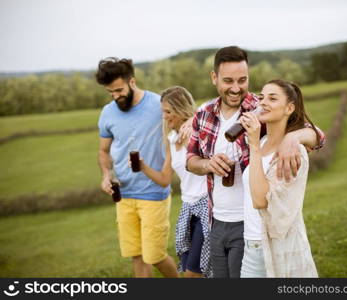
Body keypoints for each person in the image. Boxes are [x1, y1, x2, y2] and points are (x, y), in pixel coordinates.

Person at [186, 46, 325, 278]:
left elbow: (316, 134)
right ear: (214, 78)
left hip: (249, 225)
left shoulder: (259, 108)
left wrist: (294, 136)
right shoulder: (204, 113)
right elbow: (191, 160)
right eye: (228, 80)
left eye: (242, 80)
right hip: (216, 220)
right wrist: (207, 165)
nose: (236, 88)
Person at [96, 57, 179, 278]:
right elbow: (103, 151)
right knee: (137, 255)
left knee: (156, 256)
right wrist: (106, 175)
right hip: (123, 194)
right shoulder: (107, 113)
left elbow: (185, 119)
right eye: (110, 92)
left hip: (153, 193)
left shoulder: (158, 104)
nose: (116, 96)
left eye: (119, 90)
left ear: (132, 81)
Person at [130, 86, 212, 278]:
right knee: (198, 273)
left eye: (168, 111)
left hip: (207, 206)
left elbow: (215, 103)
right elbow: (164, 179)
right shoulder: (171, 139)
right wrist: (142, 166)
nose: (165, 117)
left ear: (181, 108)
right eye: (163, 112)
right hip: (189, 208)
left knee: (192, 274)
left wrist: (194, 120)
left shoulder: (200, 131)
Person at [240, 79, 318, 277]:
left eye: (272, 98)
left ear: (289, 108)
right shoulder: (263, 140)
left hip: (277, 249)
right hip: (250, 246)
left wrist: (254, 146)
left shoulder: (294, 152)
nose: (263, 102)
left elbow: (260, 200)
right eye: (261, 97)